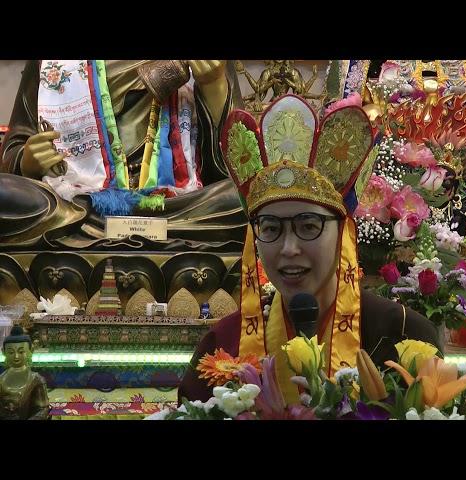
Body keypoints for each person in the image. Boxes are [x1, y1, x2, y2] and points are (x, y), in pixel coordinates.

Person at [179, 94, 442, 404]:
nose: (289, 248)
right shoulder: (223, 345)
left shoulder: (402, 335)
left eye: (308, 226)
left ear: (343, 229)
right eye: (271, 228)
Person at [0, 60, 246, 246]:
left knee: (242, 201)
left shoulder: (209, 63)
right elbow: (14, 148)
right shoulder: (49, 64)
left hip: (174, 204)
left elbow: (239, 166)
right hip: (81, 202)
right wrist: (27, 161)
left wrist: (213, 84)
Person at [0, 326, 49, 420]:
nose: (16, 357)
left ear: (31, 351)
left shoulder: (36, 379)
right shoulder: (1, 379)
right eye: (11, 352)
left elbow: (42, 409)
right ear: (3, 352)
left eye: (21, 351)